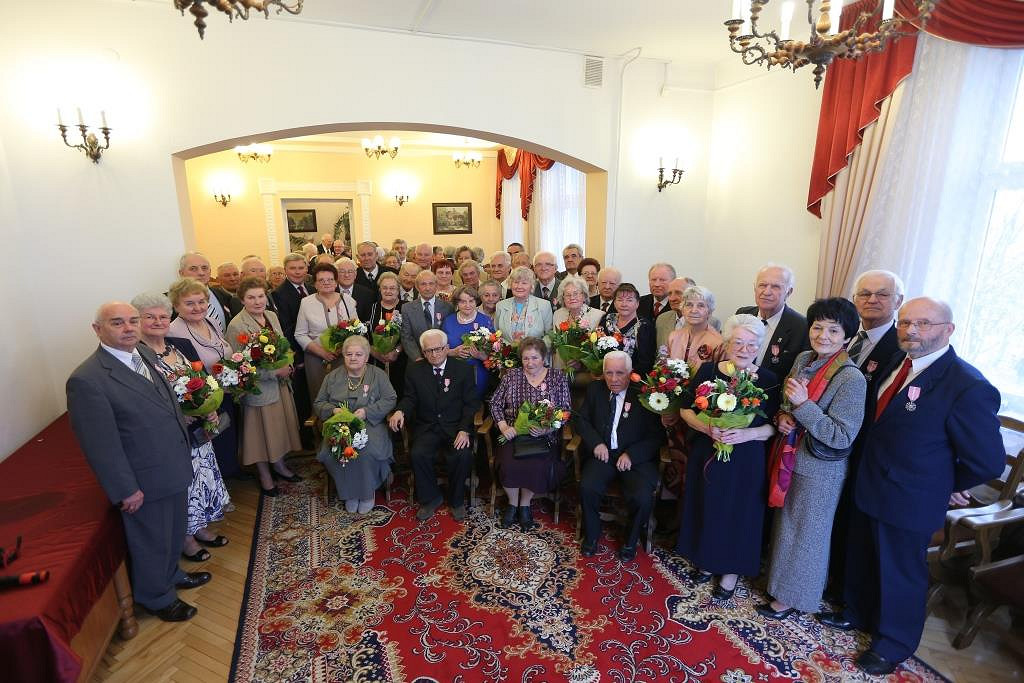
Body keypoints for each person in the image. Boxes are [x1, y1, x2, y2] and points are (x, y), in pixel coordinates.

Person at [818, 297, 1004, 676]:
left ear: (948, 330)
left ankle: (893, 644)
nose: (911, 331)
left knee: (900, 572)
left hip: (911, 497)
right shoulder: (897, 363)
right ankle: (856, 613)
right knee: (864, 554)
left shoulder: (967, 385)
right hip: (870, 482)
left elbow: (987, 461)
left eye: (923, 324)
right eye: (904, 323)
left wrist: (945, 484)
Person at [67, 302, 207, 622]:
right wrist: (125, 489)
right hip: (143, 477)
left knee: (172, 531)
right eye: (118, 323)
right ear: (97, 329)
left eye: (132, 321)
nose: (129, 328)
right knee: (152, 539)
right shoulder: (88, 380)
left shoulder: (141, 354)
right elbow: (100, 445)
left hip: (171, 464)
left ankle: (170, 575)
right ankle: (156, 596)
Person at [757, 298, 866, 619]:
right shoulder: (805, 358)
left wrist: (802, 408)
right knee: (787, 527)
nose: (823, 335)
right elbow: (787, 402)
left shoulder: (850, 378)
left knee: (807, 535)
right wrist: (782, 416)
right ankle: (779, 585)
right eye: (818, 327)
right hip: (791, 456)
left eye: (834, 330)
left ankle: (793, 598)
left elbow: (842, 435)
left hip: (820, 469)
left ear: (847, 337)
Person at [675, 314, 779, 599]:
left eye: (751, 344)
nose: (744, 349)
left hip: (746, 458)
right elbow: (685, 410)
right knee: (707, 504)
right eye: (739, 342)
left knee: (739, 512)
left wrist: (747, 434)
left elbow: (775, 426)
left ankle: (730, 572)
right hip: (708, 450)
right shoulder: (709, 372)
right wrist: (708, 428)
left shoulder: (768, 380)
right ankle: (707, 561)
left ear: (760, 347)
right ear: (728, 343)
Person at [134, 292, 231, 564]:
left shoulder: (180, 344)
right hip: (172, 434)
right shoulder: (137, 356)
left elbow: (202, 379)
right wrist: (179, 415)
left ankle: (200, 527)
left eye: (163, 316)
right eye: (149, 317)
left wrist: (209, 406)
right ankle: (186, 539)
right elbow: (145, 399)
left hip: (199, 429)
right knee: (185, 484)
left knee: (201, 479)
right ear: (138, 321)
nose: (158, 321)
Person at [828, 269, 906, 592]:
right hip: (828, 442)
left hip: (865, 451)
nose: (872, 300)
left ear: (898, 301)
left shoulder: (902, 347)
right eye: (864, 294)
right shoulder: (843, 335)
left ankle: (842, 586)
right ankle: (826, 574)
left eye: (882, 294)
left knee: (851, 519)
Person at [575, 351, 664, 561]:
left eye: (619, 373)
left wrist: (632, 455)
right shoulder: (595, 389)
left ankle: (630, 541)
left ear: (630, 373)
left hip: (633, 460)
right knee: (587, 487)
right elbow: (581, 421)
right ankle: (592, 536)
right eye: (609, 373)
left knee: (642, 496)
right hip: (604, 454)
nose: (614, 379)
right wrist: (596, 443)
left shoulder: (644, 395)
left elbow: (656, 436)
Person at [388, 329, 481, 521]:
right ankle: (431, 499)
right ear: (423, 352)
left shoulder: (462, 370)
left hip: (455, 428)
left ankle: (456, 501)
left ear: (447, 348)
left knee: (462, 455)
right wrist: (400, 410)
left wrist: (464, 429)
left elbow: (472, 404)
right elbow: (410, 398)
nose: (434, 354)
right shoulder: (415, 370)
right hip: (427, 427)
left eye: (438, 349)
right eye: (429, 351)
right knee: (418, 454)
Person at [226, 277, 303, 496]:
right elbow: (240, 366)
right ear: (242, 300)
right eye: (251, 297)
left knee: (278, 431)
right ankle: (265, 476)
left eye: (261, 296)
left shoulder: (271, 316)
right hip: (259, 389)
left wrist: (287, 362)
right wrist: (273, 372)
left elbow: (282, 345)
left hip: (280, 385)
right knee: (260, 436)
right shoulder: (237, 325)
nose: (257, 301)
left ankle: (279, 466)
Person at [489, 337, 571, 531]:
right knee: (508, 465)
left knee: (535, 465)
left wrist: (547, 428)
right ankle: (512, 503)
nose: (530, 363)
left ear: (544, 358)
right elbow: (495, 403)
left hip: (543, 437)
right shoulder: (512, 376)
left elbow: (565, 410)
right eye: (526, 358)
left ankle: (524, 505)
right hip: (513, 434)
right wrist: (503, 428)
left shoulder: (557, 377)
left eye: (534, 358)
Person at [167, 277, 241, 480]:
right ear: (176, 305)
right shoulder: (173, 331)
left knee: (228, 437)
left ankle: (230, 476)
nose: (197, 307)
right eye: (189, 303)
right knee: (213, 445)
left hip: (224, 390)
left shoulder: (210, 320)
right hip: (202, 400)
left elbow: (223, 346)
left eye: (201, 301)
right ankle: (220, 487)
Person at [314, 335, 397, 513]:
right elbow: (319, 403)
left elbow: (390, 398)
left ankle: (367, 494)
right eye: (349, 354)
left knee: (365, 451)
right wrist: (333, 411)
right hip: (340, 425)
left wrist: (367, 411)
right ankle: (349, 493)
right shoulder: (332, 377)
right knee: (334, 451)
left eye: (358, 354)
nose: (353, 358)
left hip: (369, 424)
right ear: (343, 356)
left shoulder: (378, 375)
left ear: (366, 357)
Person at [295, 262, 360, 404]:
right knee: (320, 396)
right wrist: (321, 352)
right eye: (321, 280)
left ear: (336, 282)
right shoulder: (306, 303)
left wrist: (342, 348)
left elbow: (357, 328)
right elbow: (299, 334)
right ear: (315, 284)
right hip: (316, 360)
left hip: (344, 358)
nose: (326, 283)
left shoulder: (347, 300)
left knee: (345, 395)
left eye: (330, 279)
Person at [736, 263, 809, 382]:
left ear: (789, 292)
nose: (766, 292)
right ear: (755, 288)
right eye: (762, 285)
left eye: (775, 287)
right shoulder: (742, 315)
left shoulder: (801, 326)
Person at [273, 253, 314, 425]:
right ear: (285, 270)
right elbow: (285, 328)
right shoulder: (278, 294)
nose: (297, 272)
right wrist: (296, 356)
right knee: (302, 395)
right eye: (293, 268)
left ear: (306, 269)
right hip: (297, 351)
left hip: (317, 349)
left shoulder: (312, 289)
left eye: (301, 268)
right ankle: (306, 436)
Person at [441, 285, 493, 398]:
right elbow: (440, 348)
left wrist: (481, 355)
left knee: (473, 404)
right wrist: (452, 352)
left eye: (471, 301)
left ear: (476, 301)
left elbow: (494, 352)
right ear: (457, 303)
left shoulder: (486, 321)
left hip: (478, 371)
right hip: (453, 370)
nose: (467, 305)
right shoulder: (448, 321)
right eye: (463, 301)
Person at [552, 275, 605, 378]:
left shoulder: (598, 315)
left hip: (587, 373)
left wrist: (581, 362)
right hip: (561, 370)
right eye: (567, 295)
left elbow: (598, 351)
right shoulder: (558, 314)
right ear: (563, 297)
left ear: (584, 296)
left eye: (576, 294)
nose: (572, 298)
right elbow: (556, 345)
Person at [366, 271, 407, 399]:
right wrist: (374, 351)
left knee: (399, 394)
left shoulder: (407, 308)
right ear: (380, 289)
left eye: (392, 288)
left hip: (401, 363)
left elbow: (410, 334)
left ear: (398, 289)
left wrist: (396, 350)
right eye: (384, 287)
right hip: (374, 363)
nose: (388, 291)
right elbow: (362, 334)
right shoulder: (370, 308)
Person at [601, 283, 655, 375]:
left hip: (633, 377)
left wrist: (626, 375)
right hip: (605, 373)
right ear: (614, 302)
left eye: (629, 300)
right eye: (620, 300)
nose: (624, 304)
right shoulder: (607, 320)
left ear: (637, 303)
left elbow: (646, 362)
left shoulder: (644, 326)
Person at [400, 268, 454, 361]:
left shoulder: (448, 307)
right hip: (417, 359)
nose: (427, 288)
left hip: (443, 359)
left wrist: (441, 355)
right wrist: (417, 357)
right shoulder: (407, 308)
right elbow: (407, 337)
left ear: (436, 285)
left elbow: (450, 334)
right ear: (417, 287)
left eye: (431, 284)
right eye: (423, 284)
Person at [666, 286, 722, 369]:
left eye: (701, 305)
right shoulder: (673, 337)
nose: (694, 310)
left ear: (709, 311)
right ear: (683, 309)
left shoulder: (718, 342)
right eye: (689, 305)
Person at [494, 266, 554, 343]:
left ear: (531, 286)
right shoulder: (500, 306)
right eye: (516, 282)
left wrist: (536, 349)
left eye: (524, 283)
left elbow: (550, 335)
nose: (519, 286)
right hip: (507, 353)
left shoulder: (544, 305)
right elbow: (497, 334)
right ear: (510, 284)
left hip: (535, 353)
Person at [178, 252, 232, 334]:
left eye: (204, 268)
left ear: (210, 272)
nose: (201, 273)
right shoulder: (171, 301)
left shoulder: (223, 295)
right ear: (181, 273)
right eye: (193, 268)